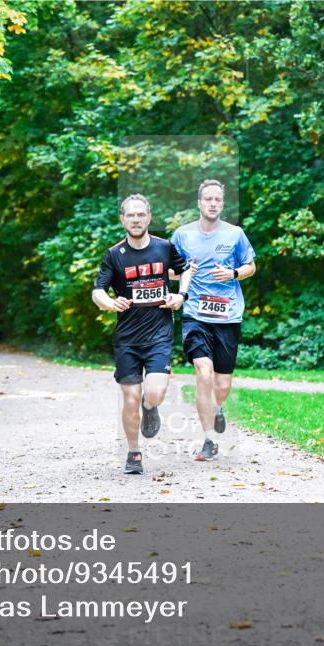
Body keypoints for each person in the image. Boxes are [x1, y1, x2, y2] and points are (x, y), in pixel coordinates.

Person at [92, 194, 195, 474]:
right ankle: (134, 453)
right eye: (130, 215)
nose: (136, 219)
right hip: (127, 338)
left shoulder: (164, 248)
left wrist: (181, 296)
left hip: (159, 334)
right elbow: (97, 290)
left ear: (149, 218)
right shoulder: (114, 255)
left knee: (155, 393)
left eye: (141, 215)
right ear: (122, 219)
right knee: (130, 398)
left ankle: (151, 408)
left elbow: (185, 270)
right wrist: (110, 303)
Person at [171, 179, 256, 462]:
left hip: (228, 316)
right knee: (203, 374)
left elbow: (251, 267)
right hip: (195, 314)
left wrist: (232, 274)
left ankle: (217, 407)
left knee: (221, 386)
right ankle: (209, 440)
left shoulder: (235, 234)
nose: (213, 204)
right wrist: (185, 272)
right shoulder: (183, 235)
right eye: (208, 199)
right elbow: (168, 271)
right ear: (199, 202)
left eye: (218, 200)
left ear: (223, 203)